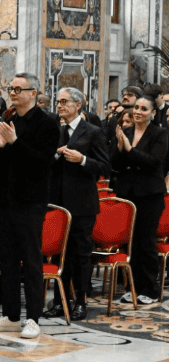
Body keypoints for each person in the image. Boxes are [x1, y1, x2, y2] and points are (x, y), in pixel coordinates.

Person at [0, 72, 60, 339]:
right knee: (7, 258)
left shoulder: (47, 123)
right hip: (6, 200)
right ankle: (11, 315)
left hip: (30, 201)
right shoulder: (9, 120)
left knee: (30, 260)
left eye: (18, 89)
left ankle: (33, 318)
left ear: (33, 93)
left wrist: (15, 143)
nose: (12, 93)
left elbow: (41, 163)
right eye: (10, 88)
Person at [43, 87, 110, 321]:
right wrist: (55, 155)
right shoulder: (56, 131)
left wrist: (81, 159)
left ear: (78, 105)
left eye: (65, 102)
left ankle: (81, 300)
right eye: (58, 101)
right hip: (58, 204)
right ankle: (62, 300)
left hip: (82, 204)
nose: (59, 106)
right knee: (61, 254)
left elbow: (104, 166)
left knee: (80, 254)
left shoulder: (93, 132)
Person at [111, 95, 169, 304]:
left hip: (150, 195)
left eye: (144, 109)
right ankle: (133, 287)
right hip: (127, 194)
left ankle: (150, 290)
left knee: (146, 242)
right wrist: (120, 149)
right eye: (136, 108)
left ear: (153, 113)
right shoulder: (125, 131)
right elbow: (114, 163)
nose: (138, 112)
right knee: (131, 243)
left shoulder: (160, 134)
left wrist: (129, 150)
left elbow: (153, 162)